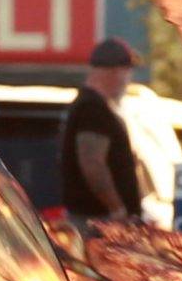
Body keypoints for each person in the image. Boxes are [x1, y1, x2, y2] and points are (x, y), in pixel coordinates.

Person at [57, 38, 143, 227]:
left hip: (98, 219)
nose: (129, 79)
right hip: (98, 222)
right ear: (114, 71)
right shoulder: (92, 109)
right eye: (127, 71)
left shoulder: (95, 107)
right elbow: (92, 162)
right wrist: (117, 209)